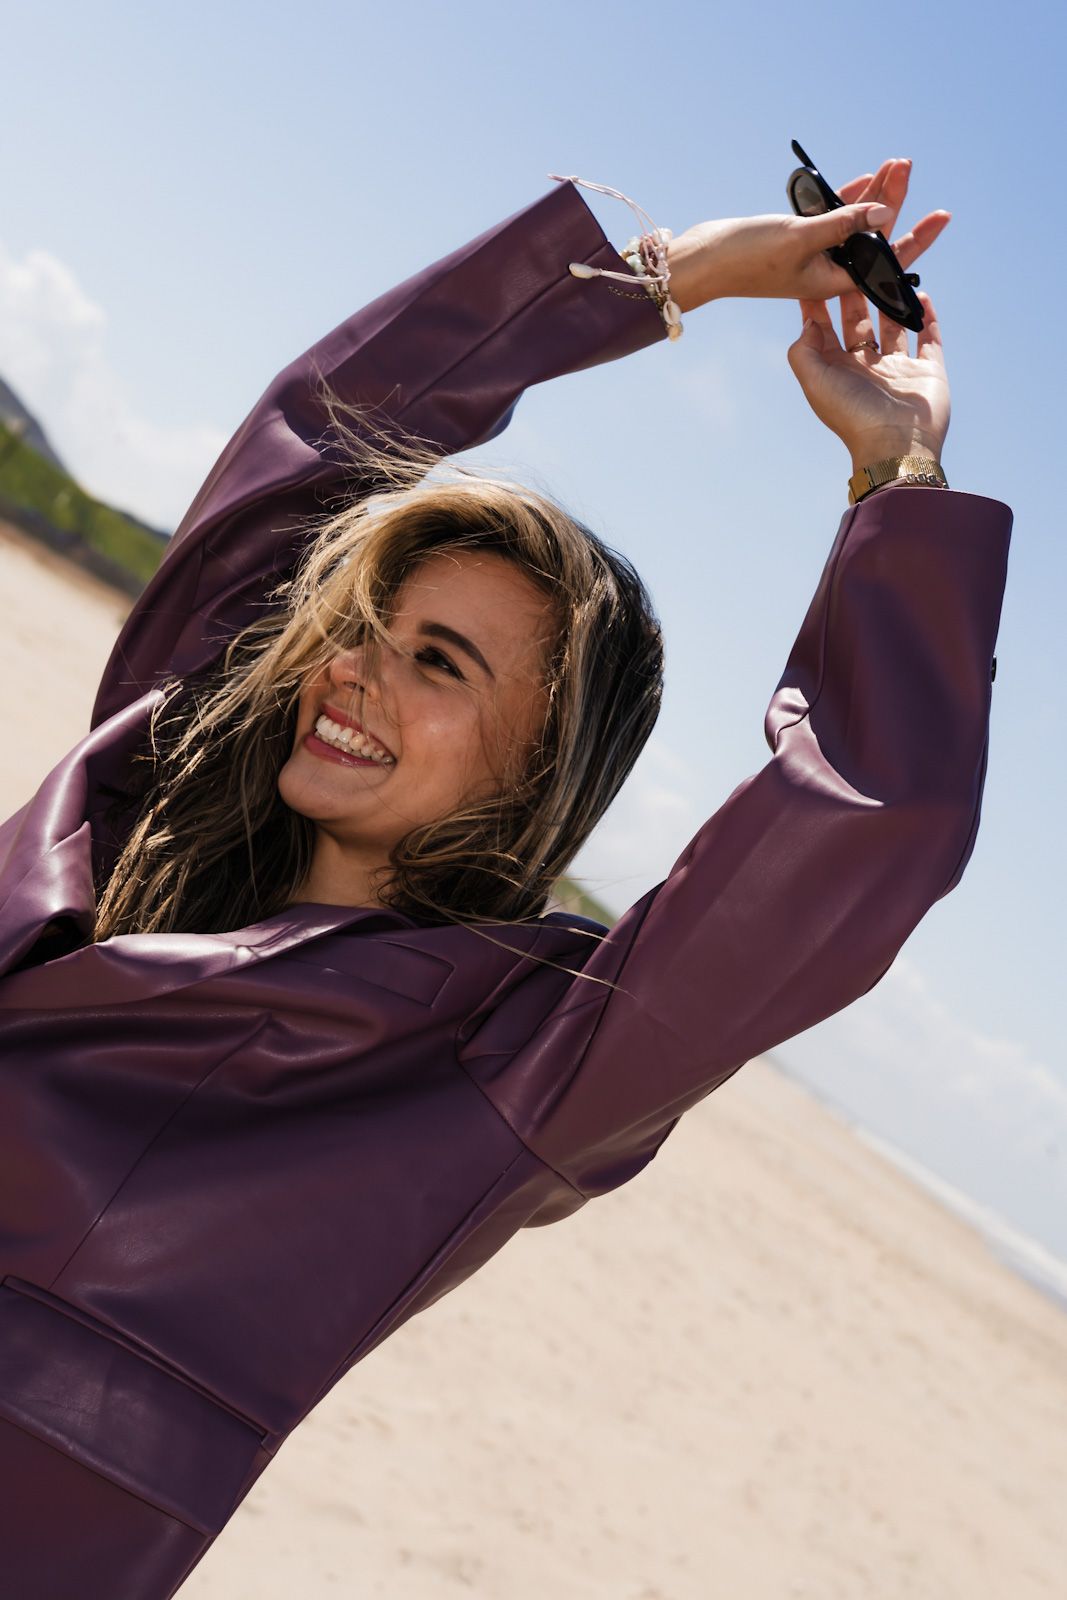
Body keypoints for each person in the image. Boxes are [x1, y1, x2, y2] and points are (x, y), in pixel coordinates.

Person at [0, 160, 1011, 1599]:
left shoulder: (498, 1065)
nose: (355, 670)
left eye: (440, 664)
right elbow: (320, 439)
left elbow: (860, 828)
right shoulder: (151, 791)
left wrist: (896, 471)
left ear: (531, 773)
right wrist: (674, 274)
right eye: (370, 626)